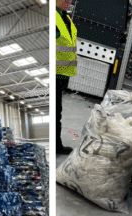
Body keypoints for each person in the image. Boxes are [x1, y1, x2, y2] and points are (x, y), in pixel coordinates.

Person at [55, 0, 77, 156]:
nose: (67, 1)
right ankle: (56, 146)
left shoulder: (66, 18)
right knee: (56, 112)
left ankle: (57, 144)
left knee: (57, 111)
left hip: (62, 73)